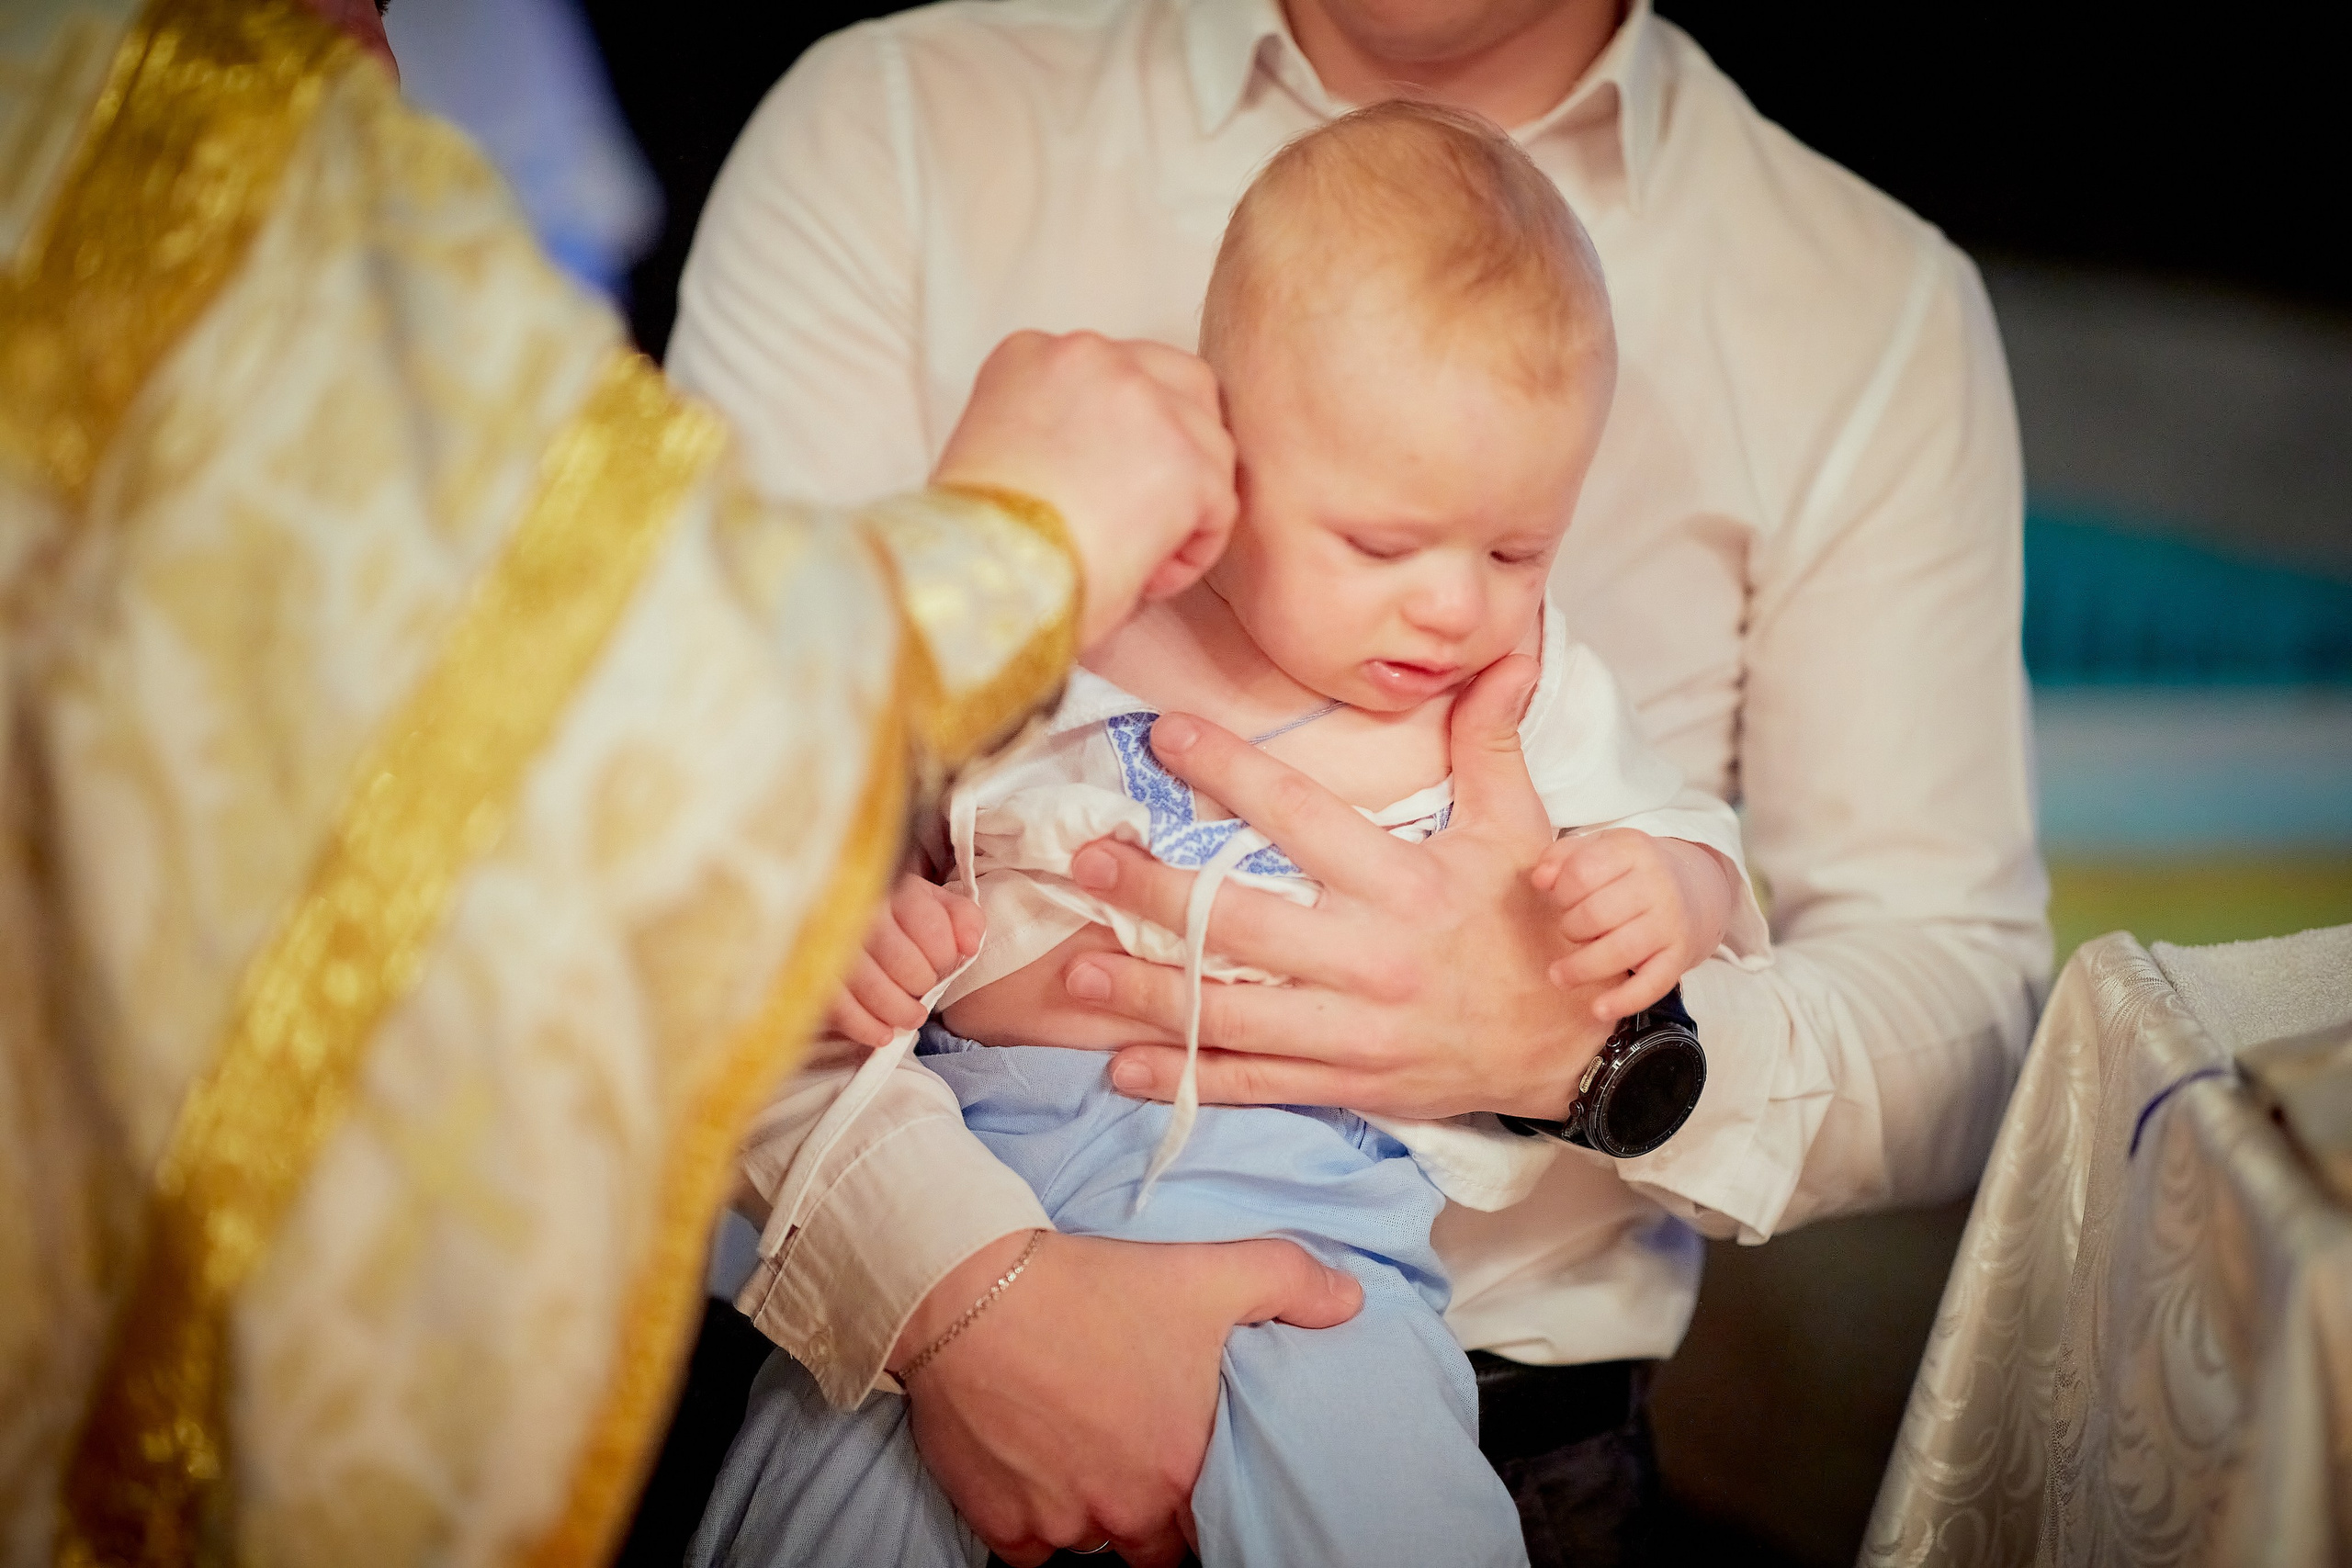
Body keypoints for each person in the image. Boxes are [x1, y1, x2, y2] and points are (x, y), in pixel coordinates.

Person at [673, 0, 2052, 1562]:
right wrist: (880, 955)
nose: (1457, 607)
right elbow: (707, 842)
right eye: (1385, 548)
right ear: (1226, 464)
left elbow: (1944, 979)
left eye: (1520, 551)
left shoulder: (1849, 333)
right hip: (902, 1305)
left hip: (1397, 1323)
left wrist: (1595, 1030)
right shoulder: (908, 148)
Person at [0, 0, 1367, 1562]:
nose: (375, 72)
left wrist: (1581, 1037)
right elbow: (528, 730)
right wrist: (1015, 542)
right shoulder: (153, 114)